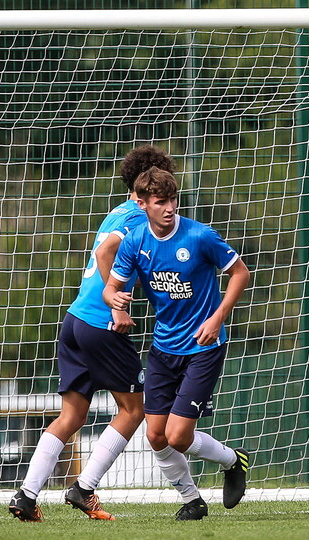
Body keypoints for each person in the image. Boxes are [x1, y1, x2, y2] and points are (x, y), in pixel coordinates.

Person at [8, 145, 175, 523]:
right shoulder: (137, 217)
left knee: (72, 415)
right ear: (149, 186)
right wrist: (117, 305)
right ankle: (83, 489)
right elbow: (104, 253)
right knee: (135, 410)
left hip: (74, 322)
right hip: (102, 324)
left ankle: (26, 494)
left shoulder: (119, 209)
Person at [103, 167, 251, 521]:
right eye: (160, 202)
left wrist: (217, 318)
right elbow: (111, 286)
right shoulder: (136, 241)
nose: (169, 208)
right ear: (143, 205)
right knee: (156, 436)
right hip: (162, 349)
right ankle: (192, 499)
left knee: (178, 436)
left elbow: (241, 273)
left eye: (173, 200)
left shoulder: (200, 236)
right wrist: (116, 302)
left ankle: (234, 461)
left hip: (203, 347)